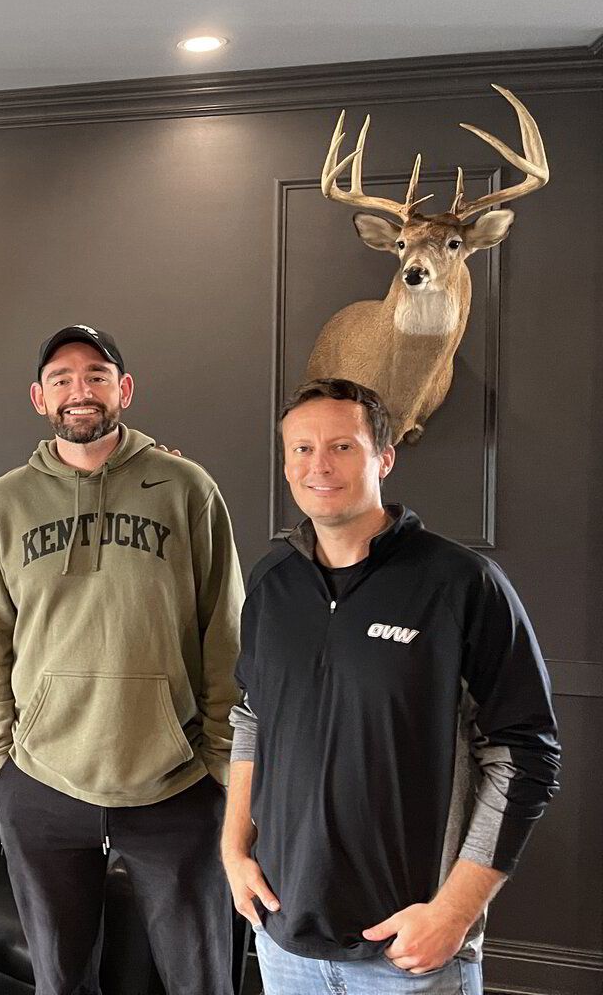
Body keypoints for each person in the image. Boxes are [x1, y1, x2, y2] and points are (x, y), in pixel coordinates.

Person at [223, 378, 561, 994]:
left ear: (384, 457)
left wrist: (453, 914)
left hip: (410, 954)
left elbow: (526, 755)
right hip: (282, 940)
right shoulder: (271, 584)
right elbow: (251, 719)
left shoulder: (461, 583)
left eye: (342, 446)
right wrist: (234, 851)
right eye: (300, 449)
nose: (318, 464)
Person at [0, 324, 244, 995]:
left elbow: (225, 633)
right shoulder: (7, 501)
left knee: (198, 978)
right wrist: (1, 759)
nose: (78, 391)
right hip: (42, 781)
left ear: (124, 389)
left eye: (95, 375)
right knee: (61, 981)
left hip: (174, 780)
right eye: (61, 379)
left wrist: (218, 760)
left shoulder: (186, 488)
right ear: (39, 398)